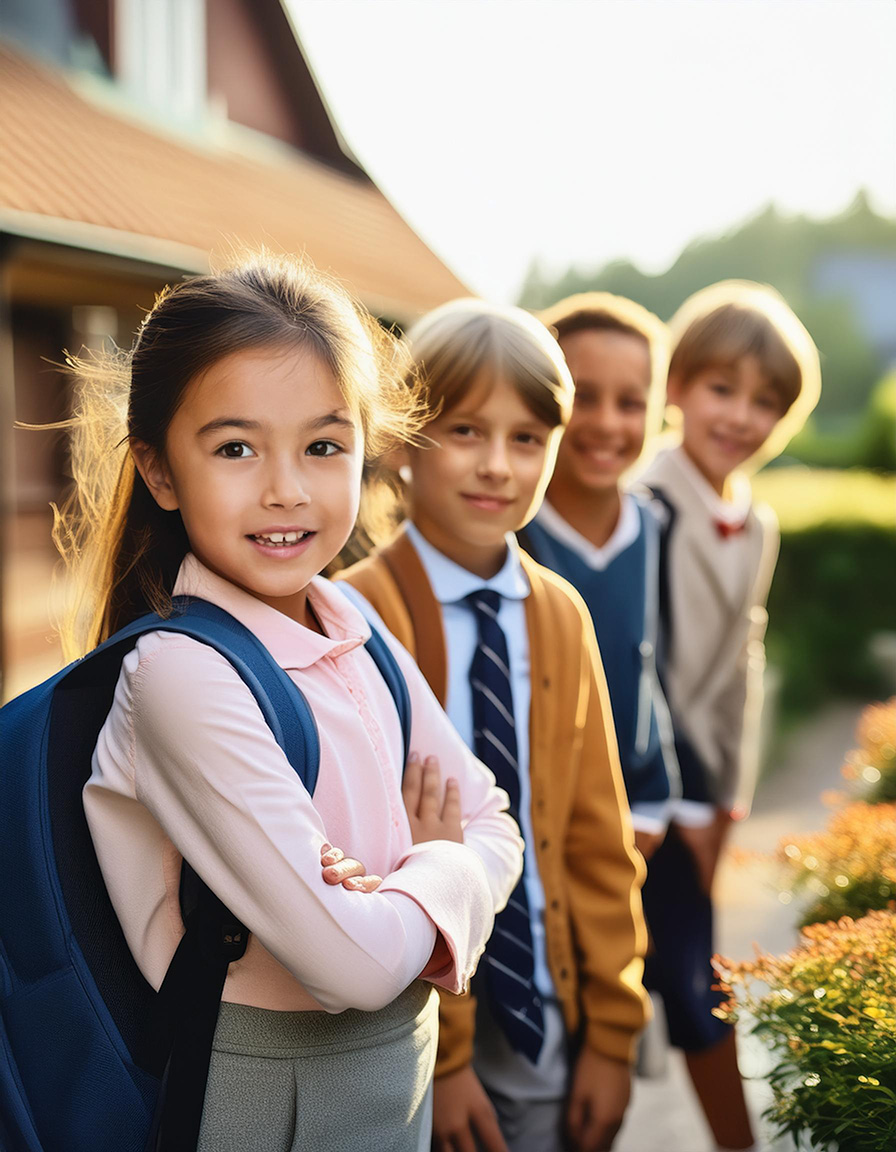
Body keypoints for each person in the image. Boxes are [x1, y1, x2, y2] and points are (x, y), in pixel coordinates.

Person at [64, 256, 523, 1152]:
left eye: (323, 445)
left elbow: (497, 819)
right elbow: (347, 963)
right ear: (160, 471)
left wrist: (394, 890)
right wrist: (436, 864)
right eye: (235, 447)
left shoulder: (348, 614)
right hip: (264, 1087)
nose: (287, 489)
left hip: (400, 1064)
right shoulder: (179, 672)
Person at [336, 299, 649, 1152]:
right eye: (466, 431)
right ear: (402, 439)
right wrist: (446, 1060)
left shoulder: (561, 615)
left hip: (551, 1017)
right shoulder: (355, 616)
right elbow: (373, 859)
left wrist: (614, 1037)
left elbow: (595, 832)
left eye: (526, 439)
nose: (498, 467)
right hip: (416, 1033)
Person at [637, 281, 821, 1152]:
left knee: (689, 980)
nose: (742, 416)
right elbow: (636, 667)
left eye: (767, 403)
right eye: (722, 388)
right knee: (651, 987)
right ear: (676, 387)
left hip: (703, 798)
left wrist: (727, 800)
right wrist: (673, 799)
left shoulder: (757, 525)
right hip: (631, 790)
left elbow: (742, 663)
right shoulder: (638, 503)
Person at [521, 292, 679, 864]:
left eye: (632, 403)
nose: (608, 423)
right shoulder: (512, 537)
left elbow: (646, 666)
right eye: (584, 397)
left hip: (640, 814)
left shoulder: (655, 523)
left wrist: (654, 802)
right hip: (540, 828)